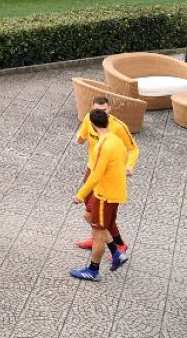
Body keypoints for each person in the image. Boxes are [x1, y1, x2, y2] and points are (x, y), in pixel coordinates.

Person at [71, 109, 131, 280]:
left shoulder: (102, 145)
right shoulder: (116, 140)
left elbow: (96, 174)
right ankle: (115, 251)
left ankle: (93, 270)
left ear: (92, 124)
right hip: (111, 192)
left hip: (105, 196)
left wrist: (80, 195)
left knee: (98, 234)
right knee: (88, 216)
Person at [73, 95, 136, 253]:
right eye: (96, 110)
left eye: (103, 111)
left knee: (100, 214)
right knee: (91, 213)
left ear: (110, 109)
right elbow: (83, 134)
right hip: (91, 170)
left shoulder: (118, 127)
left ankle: (119, 245)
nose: (99, 114)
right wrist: (80, 139)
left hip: (107, 176)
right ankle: (97, 238)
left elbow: (133, 148)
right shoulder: (90, 118)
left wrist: (129, 165)